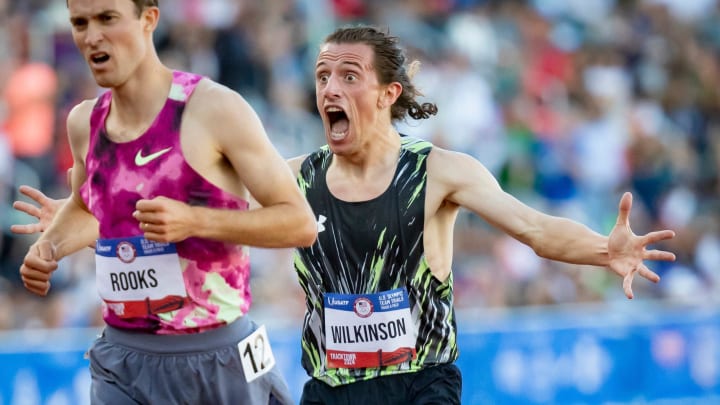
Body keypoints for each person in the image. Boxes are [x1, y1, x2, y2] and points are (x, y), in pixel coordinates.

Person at [13, 25, 677, 404]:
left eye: (349, 76)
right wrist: (90, 215)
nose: (330, 87)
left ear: (387, 93)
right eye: (323, 74)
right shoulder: (297, 179)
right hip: (330, 389)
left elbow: (533, 228)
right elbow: (195, 224)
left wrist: (602, 248)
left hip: (421, 386)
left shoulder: (439, 171)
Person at [14, 0, 317, 404]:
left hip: (216, 356)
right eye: (80, 23)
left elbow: (300, 223)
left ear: (149, 19)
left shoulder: (212, 108)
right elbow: (87, 208)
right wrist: (50, 246)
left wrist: (195, 221)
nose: (92, 36)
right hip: (123, 360)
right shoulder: (83, 123)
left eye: (107, 19)